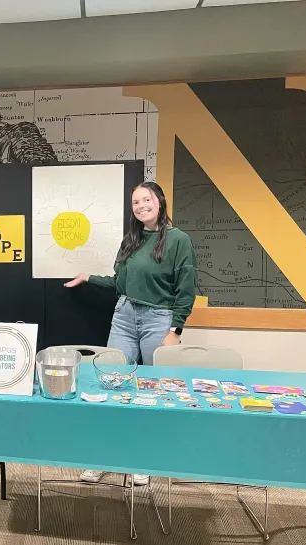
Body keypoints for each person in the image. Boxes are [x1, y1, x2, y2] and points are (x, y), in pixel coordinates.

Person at [65, 181, 197, 486]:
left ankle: (142, 459)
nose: (140, 206)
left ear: (160, 202)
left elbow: (186, 289)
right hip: (124, 316)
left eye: (146, 200)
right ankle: (104, 457)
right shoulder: (131, 240)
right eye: (135, 202)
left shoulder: (178, 241)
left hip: (159, 319)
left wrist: (176, 329)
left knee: (151, 390)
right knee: (111, 386)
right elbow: (119, 284)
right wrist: (89, 278)